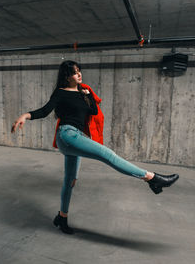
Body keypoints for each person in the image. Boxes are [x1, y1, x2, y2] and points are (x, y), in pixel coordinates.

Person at [11, 60, 179, 235]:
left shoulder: (83, 92)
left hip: (77, 137)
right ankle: (152, 178)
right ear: (67, 76)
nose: (79, 74)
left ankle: (62, 217)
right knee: (108, 154)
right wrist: (26, 115)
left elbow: (93, 112)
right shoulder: (60, 93)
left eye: (79, 71)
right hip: (68, 135)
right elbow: (45, 111)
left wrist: (87, 95)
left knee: (70, 181)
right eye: (75, 72)